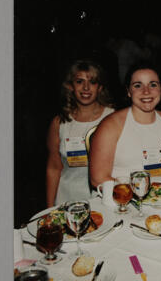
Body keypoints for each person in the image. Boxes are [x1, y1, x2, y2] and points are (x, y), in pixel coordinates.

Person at [89, 62, 161, 187]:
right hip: (122, 200)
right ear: (128, 91)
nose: (146, 91)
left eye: (153, 85)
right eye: (138, 85)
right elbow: (98, 178)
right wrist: (138, 193)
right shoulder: (110, 126)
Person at [46, 60, 114, 207]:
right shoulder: (59, 123)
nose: (86, 88)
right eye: (79, 81)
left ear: (100, 87)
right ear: (70, 86)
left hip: (102, 201)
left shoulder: (112, 119)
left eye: (93, 82)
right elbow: (54, 168)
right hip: (67, 201)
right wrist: (50, 208)